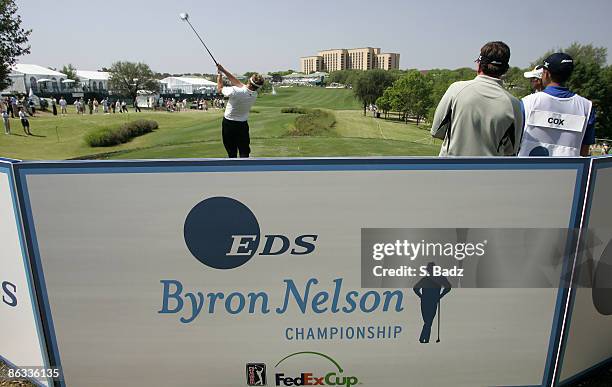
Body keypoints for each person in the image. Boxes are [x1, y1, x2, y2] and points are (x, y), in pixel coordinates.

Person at [431, 41, 523, 156]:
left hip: (451, 169)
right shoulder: (514, 104)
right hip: (490, 172)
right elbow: (511, 150)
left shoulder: (456, 90)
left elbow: (436, 132)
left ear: (479, 64)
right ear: (505, 70)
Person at [519, 53, 596, 157]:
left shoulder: (527, 102)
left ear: (546, 74)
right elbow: (584, 150)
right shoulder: (587, 107)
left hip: (527, 171)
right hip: (570, 172)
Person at [216, 64, 265, 158]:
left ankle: (233, 171)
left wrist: (219, 74)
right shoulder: (254, 94)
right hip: (243, 125)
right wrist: (223, 70)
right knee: (244, 151)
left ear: (249, 82)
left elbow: (219, 89)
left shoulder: (236, 91)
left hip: (229, 124)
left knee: (231, 151)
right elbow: (237, 82)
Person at [413, 262, 452, 344]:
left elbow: (415, 289)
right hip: (431, 300)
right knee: (428, 321)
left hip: (427, 301)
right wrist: (440, 296)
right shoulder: (438, 278)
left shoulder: (429, 279)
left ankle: (424, 339)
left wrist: (421, 296)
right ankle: (424, 339)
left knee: (428, 321)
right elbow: (415, 288)